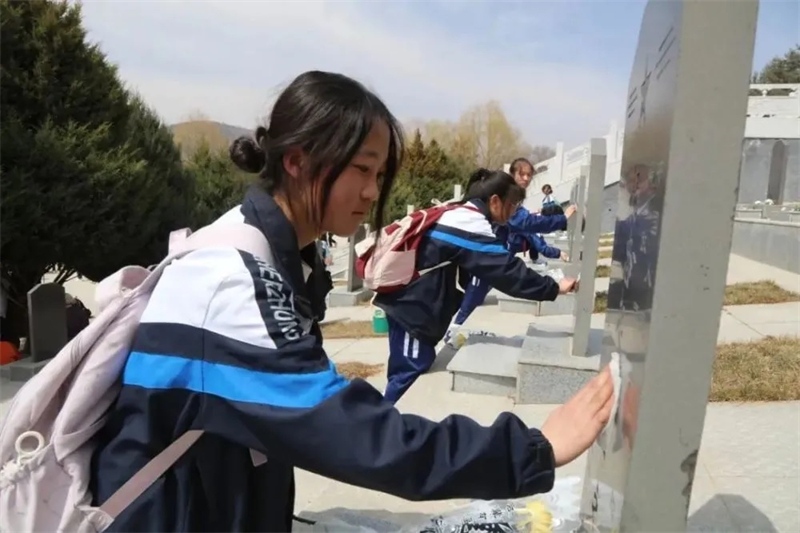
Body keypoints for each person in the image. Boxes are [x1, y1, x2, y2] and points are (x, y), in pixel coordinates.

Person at [89, 71, 613, 532]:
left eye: (379, 174)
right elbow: (361, 437)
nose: (371, 190)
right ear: (297, 161)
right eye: (361, 170)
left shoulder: (279, 252)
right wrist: (533, 449)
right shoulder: (233, 280)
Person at [374, 168, 579, 403]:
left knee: (418, 365)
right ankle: (379, 432)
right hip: (411, 310)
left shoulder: (460, 213)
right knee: (407, 376)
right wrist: (554, 287)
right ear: (494, 201)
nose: (513, 212)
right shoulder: (469, 223)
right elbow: (506, 271)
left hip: (420, 308)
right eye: (512, 205)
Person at [447, 158, 575, 339]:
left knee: (479, 291)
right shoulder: (505, 195)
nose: (526, 178)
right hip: (485, 250)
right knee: (475, 292)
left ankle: (457, 331)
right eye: (521, 174)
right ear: (512, 174)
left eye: (529, 175)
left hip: (494, 251)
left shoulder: (512, 198)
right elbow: (525, 222)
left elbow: (525, 225)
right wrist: (561, 219)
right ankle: (454, 331)